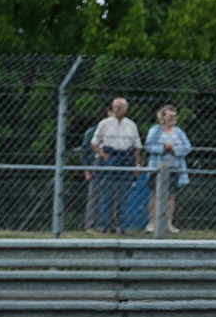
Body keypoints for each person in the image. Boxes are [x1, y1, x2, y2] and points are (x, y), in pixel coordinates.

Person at [91, 97, 142, 233]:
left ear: (126, 109)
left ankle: (124, 226)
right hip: (111, 156)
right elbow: (94, 142)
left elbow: (137, 147)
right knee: (107, 192)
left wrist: (136, 164)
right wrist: (103, 155)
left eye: (120, 107)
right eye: (115, 107)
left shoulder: (131, 125)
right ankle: (104, 224)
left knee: (124, 194)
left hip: (126, 157)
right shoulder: (105, 124)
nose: (117, 110)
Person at [143, 104, 192, 234]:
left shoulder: (179, 132)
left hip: (174, 168)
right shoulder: (155, 130)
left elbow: (187, 147)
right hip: (158, 168)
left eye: (174, 116)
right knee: (155, 194)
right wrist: (163, 149)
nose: (173, 119)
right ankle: (152, 223)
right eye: (170, 116)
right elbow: (149, 145)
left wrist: (174, 149)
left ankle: (168, 223)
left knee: (171, 195)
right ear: (163, 117)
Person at [80, 108, 109, 232]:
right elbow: (85, 151)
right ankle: (90, 226)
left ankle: (109, 225)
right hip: (96, 163)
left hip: (111, 163)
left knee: (112, 195)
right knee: (94, 195)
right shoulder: (92, 132)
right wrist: (87, 169)